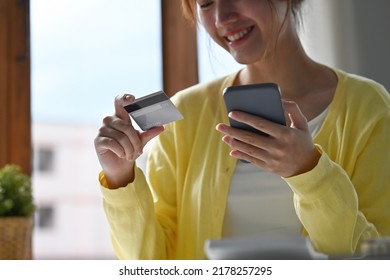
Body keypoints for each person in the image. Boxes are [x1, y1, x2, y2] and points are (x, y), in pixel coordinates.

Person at [94, 0, 390, 260]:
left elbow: (373, 259)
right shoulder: (187, 113)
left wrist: (310, 173)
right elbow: (150, 263)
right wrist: (121, 178)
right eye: (206, 2)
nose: (222, 17)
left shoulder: (367, 108)